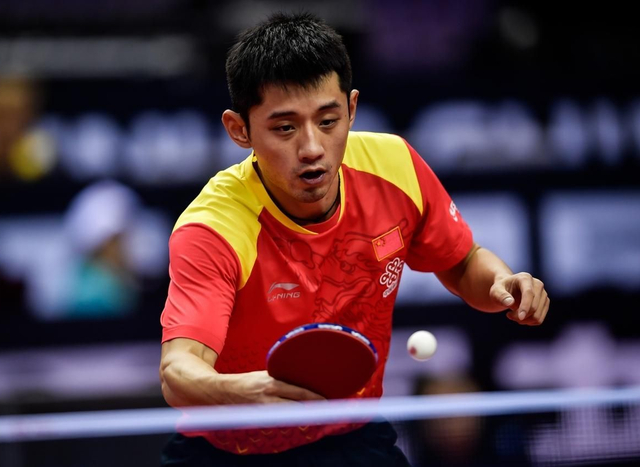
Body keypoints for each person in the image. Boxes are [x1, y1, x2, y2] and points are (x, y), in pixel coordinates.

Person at [158, 12, 550, 466]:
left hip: (350, 436)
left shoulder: (395, 166)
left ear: (352, 108)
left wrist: (502, 282)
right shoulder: (214, 229)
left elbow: (461, 263)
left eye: (328, 120)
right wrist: (245, 391)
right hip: (227, 452)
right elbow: (178, 371)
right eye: (285, 128)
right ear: (239, 129)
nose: (312, 148)